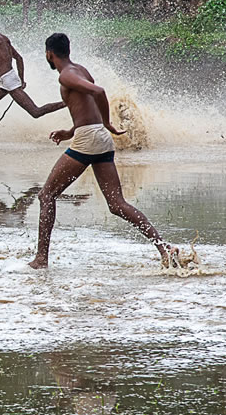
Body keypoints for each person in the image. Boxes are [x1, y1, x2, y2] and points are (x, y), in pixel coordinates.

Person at [29, 33, 178, 269]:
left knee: (46, 195)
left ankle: (41, 259)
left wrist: (107, 123)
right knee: (117, 204)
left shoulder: (67, 75)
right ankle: (164, 248)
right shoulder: (80, 69)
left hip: (90, 138)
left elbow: (98, 92)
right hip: (97, 137)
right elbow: (85, 106)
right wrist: (72, 131)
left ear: (49, 53)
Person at [0, 10, 66, 150]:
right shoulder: (2, 37)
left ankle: (68, 102)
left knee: (35, 112)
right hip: (5, 80)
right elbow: (19, 58)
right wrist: (21, 79)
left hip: (8, 80)